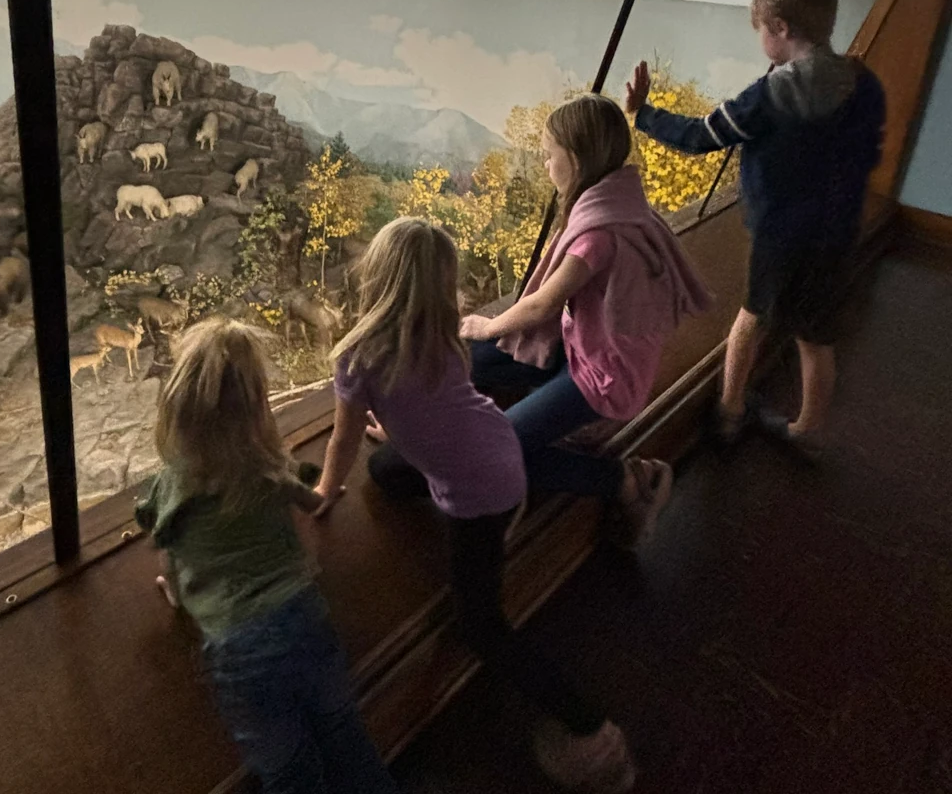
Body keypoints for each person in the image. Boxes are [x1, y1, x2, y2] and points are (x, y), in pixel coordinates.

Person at [316, 218, 637, 792]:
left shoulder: (358, 356)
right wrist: (403, 436)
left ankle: (590, 729)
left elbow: (340, 441)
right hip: (498, 445)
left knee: (480, 624)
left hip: (481, 497)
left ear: (376, 275)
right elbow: (441, 406)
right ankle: (463, 482)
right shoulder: (443, 334)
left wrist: (323, 493)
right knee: (388, 470)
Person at [370, 93, 713, 539]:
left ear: (574, 159)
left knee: (501, 444)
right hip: (581, 346)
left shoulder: (600, 233)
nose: (546, 165)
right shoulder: (623, 203)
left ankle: (630, 481)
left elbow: (543, 305)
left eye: (550, 156)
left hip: (601, 377)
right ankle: (413, 411)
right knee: (467, 355)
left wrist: (490, 324)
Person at [627, 0, 886, 455]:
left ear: (781, 30)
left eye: (762, 30)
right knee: (815, 338)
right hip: (836, 233)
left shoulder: (771, 96)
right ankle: (807, 432)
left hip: (781, 236)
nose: (760, 40)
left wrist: (643, 114)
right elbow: (871, 151)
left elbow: (702, 136)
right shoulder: (863, 83)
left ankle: (727, 412)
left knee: (751, 319)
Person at [135, 317, 399, 794]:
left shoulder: (168, 488)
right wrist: (325, 494)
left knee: (289, 771)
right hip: (304, 616)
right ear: (257, 407)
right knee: (345, 733)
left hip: (239, 650)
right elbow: (315, 501)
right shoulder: (268, 470)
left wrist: (174, 595)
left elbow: (167, 556)